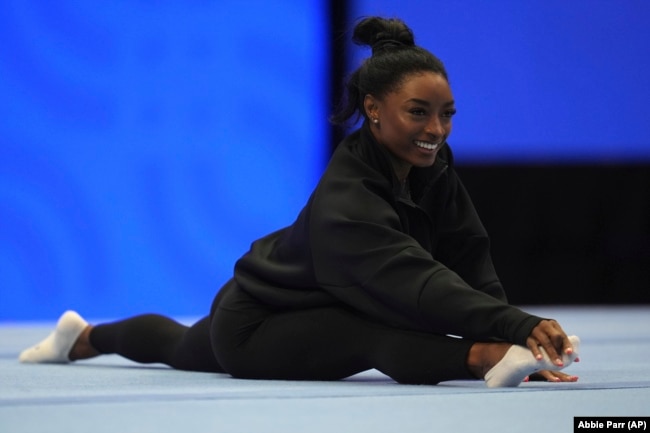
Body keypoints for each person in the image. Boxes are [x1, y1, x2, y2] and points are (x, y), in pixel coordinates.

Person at [19, 17, 580, 387]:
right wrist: (505, 336)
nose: (437, 128)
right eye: (419, 112)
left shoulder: (431, 168)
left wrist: (510, 329)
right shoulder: (348, 198)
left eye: (447, 113)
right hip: (258, 322)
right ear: (374, 108)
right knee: (374, 335)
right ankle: (482, 363)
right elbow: (416, 282)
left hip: (301, 304)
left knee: (177, 342)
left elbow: (467, 254)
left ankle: (83, 337)